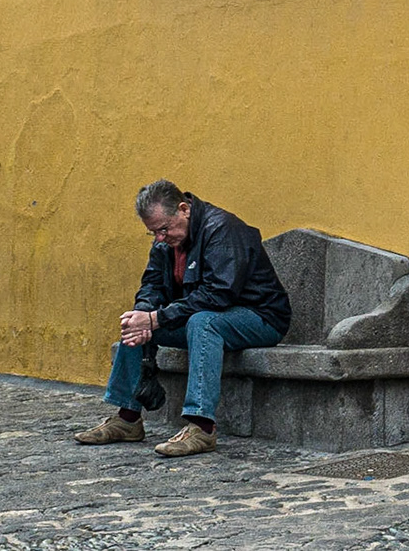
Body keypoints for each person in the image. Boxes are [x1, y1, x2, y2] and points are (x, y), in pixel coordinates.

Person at [75, 180, 292, 457]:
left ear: (183, 209)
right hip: (204, 318)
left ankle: (202, 427)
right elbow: (152, 285)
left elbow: (219, 295)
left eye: (164, 229)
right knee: (133, 323)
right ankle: (128, 419)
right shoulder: (165, 241)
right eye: (153, 233)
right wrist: (144, 314)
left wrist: (157, 318)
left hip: (260, 318)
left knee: (203, 321)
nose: (160, 238)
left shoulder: (223, 229)